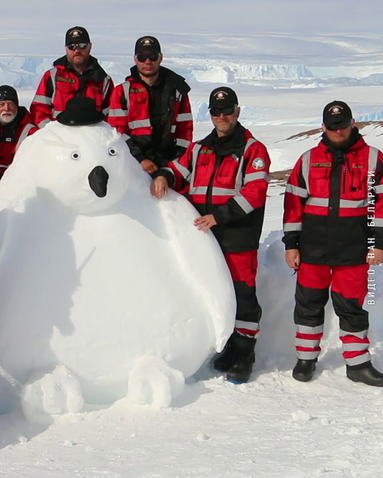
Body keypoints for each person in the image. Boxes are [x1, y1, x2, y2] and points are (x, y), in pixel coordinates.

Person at [151, 87, 270, 383]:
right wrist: (164, 175)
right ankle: (227, 344)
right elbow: (179, 169)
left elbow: (254, 192)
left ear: (237, 112)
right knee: (214, 289)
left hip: (237, 236)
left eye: (227, 111)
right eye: (216, 112)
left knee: (242, 294)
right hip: (206, 237)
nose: (221, 117)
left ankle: (245, 350)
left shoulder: (252, 150)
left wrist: (219, 217)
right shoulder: (200, 148)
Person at [282, 100, 383, 387]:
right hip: (313, 249)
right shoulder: (308, 159)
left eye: (343, 124)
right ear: (323, 126)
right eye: (332, 126)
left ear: (352, 123)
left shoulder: (373, 158)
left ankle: (358, 364)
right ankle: (306, 359)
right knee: (308, 305)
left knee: (352, 307)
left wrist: (379, 243)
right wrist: (291, 244)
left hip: (354, 249)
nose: (338, 130)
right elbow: (293, 204)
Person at [108, 36, 193, 175]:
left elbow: (185, 131)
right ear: (135, 59)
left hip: (170, 163)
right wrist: (140, 160)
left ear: (160, 58)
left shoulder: (177, 91)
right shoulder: (122, 92)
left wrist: (172, 164)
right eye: (142, 57)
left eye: (152, 56)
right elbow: (117, 132)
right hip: (134, 164)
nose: (148, 62)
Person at [30, 26, 114, 129]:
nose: (77, 50)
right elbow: (38, 108)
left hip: (91, 139)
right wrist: (50, 132)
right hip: (58, 138)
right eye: (72, 46)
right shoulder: (53, 76)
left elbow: (110, 115)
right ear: (66, 48)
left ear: (90, 46)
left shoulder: (103, 80)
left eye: (82, 45)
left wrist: (99, 135)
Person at [0, 85, 38, 179]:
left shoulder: (30, 131)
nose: (6, 108)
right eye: (1, 104)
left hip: (17, 180)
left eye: (11, 104)